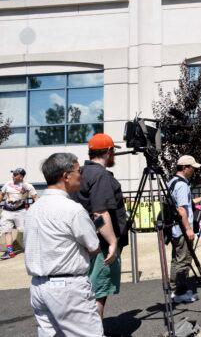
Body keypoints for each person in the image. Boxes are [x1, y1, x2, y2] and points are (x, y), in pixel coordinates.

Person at [25, 153, 103, 336]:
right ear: (66, 176)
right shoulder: (73, 209)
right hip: (67, 287)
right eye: (78, 170)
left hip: (38, 286)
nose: (81, 175)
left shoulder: (33, 209)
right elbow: (94, 247)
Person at [71, 133, 127, 320]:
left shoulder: (82, 173)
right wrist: (112, 242)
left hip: (86, 242)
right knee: (98, 294)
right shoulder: (100, 175)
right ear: (109, 151)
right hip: (100, 245)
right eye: (113, 152)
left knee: (88, 292)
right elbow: (99, 213)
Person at [168, 155, 201, 303]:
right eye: (192, 168)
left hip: (175, 229)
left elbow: (187, 203)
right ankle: (179, 292)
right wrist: (188, 228)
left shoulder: (173, 182)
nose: (194, 171)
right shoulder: (182, 185)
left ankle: (175, 288)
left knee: (177, 259)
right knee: (183, 260)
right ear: (185, 168)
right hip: (182, 229)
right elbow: (181, 209)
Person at [0, 168, 37, 259]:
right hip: (7, 211)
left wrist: (37, 209)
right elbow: (1, 194)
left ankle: (31, 249)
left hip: (20, 212)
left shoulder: (28, 186)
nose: (12, 176)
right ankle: (9, 252)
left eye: (15, 174)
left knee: (24, 231)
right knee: (6, 230)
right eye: (13, 174)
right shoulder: (7, 184)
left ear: (21, 177)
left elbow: (35, 198)